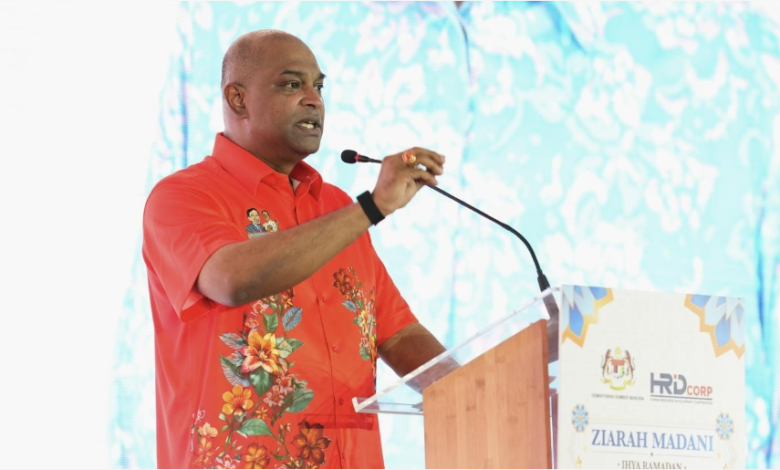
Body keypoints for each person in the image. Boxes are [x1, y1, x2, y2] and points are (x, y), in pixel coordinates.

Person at [142, 30, 448, 469]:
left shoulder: (336, 208)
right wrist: (372, 207)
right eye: (292, 84)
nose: (313, 100)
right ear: (238, 99)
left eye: (318, 87)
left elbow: (397, 334)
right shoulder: (184, 197)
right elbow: (229, 279)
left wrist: (486, 386)